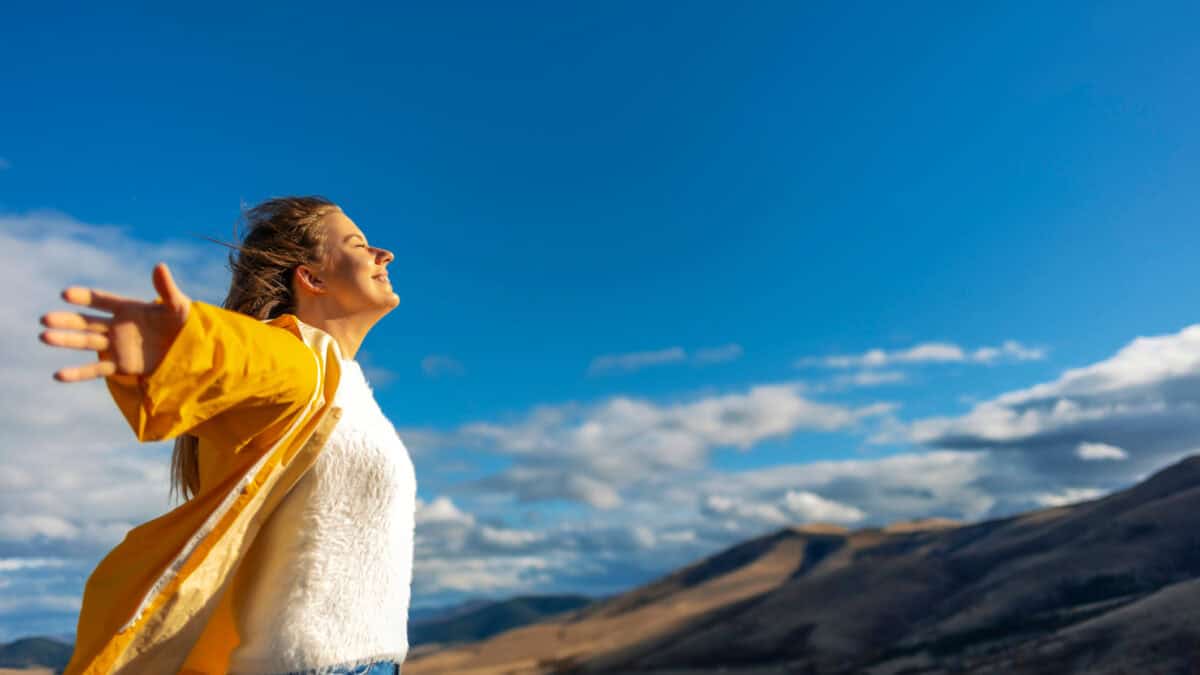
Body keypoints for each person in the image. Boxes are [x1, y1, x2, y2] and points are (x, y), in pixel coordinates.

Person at [39, 196, 415, 675]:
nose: (385, 254)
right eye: (359, 245)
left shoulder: (345, 384)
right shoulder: (301, 361)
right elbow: (243, 354)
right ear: (312, 278)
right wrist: (182, 343)